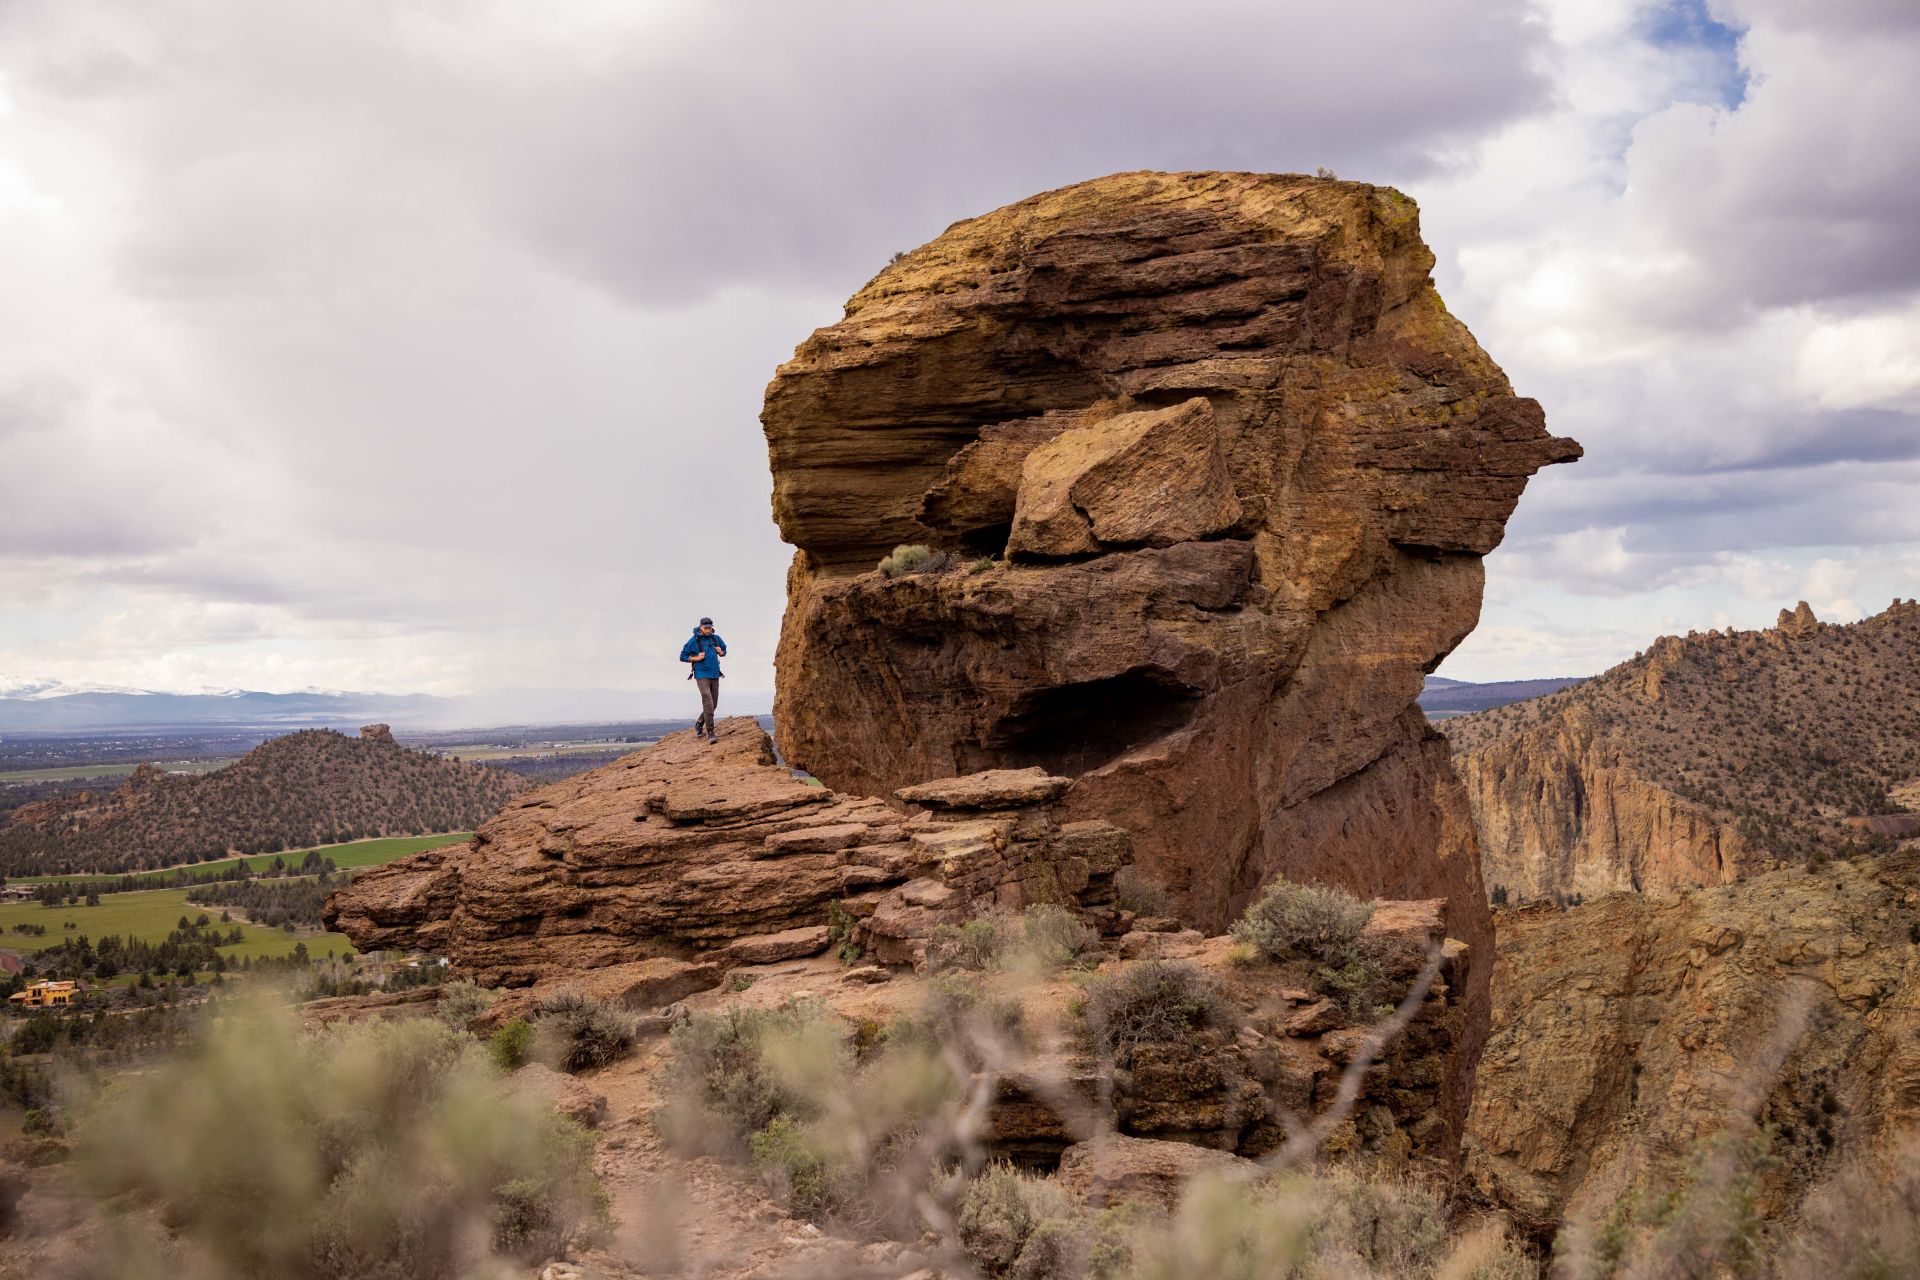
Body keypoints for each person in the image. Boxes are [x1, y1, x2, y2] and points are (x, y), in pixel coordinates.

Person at [679, 617, 726, 742]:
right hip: (701, 675)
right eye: (705, 628)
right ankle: (710, 732)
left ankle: (699, 723)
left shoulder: (716, 639)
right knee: (708, 702)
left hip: (715, 675)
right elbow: (682, 656)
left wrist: (721, 652)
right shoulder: (693, 641)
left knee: (713, 704)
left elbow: (724, 651)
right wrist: (696, 658)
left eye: (710, 628)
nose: (708, 630)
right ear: (700, 627)